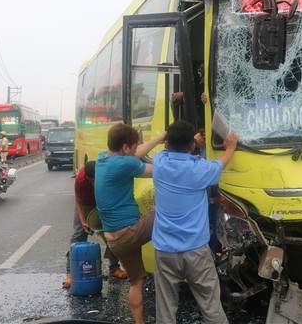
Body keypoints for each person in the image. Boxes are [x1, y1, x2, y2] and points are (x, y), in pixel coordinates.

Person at [152, 120, 238, 324]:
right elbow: (223, 161)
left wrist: (190, 143)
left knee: (165, 310)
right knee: (210, 305)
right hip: (196, 251)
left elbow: (169, 148)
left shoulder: (159, 162)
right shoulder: (201, 170)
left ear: (166, 144)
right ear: (192, 146)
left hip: (165, 250)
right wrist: (231, 146)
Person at [94, 125, 166, 324]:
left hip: (114, 240)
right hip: (130, 233)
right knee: (165, 211)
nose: (137, 150)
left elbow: (136, 154)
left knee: (136, 281)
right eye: (134, 147)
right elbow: (161, 171)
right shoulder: (125, 165)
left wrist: (161, 137)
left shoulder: (102, 158)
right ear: (125, 148)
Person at [61, 161, 127, 288]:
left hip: (103, 203)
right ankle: (71, 273)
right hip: (85, 204)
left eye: (95, 180)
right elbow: (78, 203)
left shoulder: (107, 175)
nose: (93, 183)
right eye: (90, 180)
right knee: (78, 235)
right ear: (86, 177)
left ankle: (114, 268)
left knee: (110, 233)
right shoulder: (80, 179)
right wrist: (83, 221)